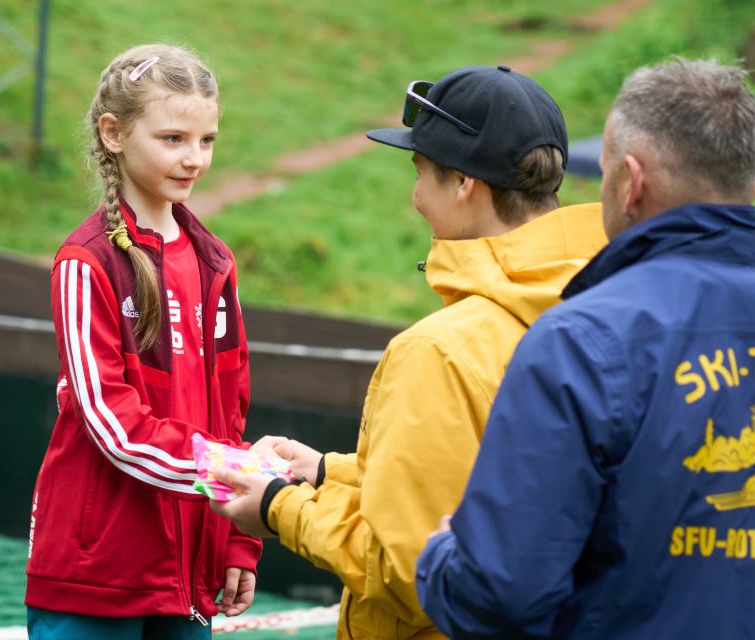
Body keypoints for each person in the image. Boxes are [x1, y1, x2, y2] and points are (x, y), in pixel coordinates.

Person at [415, 57, 755, 639]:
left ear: (631, 183)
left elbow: (499, 594)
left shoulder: (577, 346)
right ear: (750, 185)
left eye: (606, 173)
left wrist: (442, 556)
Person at [211, 65, 607, 638]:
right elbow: (489, 488)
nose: (416, 196)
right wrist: (326, 472)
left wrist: (279, 507)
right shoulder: (607, 314)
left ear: (464, 184)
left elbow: (411, 572)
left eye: (420, 171)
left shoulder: (439, 351)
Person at [24, 44, 261, 639]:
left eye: (207, 140)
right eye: (173, 139)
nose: (194, 158)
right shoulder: (85, 263)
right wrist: (238, 476)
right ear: (114, 134)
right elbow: (113, 425)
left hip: (189, 577)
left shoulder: (215, 263)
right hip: (95, 578)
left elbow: (230, 413)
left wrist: (239, 535)